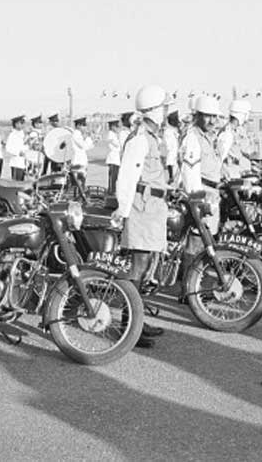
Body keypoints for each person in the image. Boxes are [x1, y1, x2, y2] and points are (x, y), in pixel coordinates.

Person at [112, 84, 172, 349]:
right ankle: (129, 327)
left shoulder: (153, 137)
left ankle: (137, 320)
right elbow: (127, 177)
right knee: (138, 266)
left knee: (146, 266)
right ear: (153, 109)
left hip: (153, 206)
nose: (166, 111)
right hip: (141, 207)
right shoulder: (139, 139)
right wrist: (123, 211)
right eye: (163, 107)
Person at [179, 96, 224, 233]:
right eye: (207, 116)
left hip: (212, 195)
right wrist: (197, 203)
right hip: (201, 196)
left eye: (214, 116)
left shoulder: (210, 137)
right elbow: (190, 174)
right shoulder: (192, 137)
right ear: (198, 116)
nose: (212, 121)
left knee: (211, 235)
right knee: (199, 237)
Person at [218, 100, 252, 180]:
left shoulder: (237, 130)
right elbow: (220, 157)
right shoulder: (227, 133)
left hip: (239, 171)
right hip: (231, 174)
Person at [71, 117, 95, 186]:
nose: (85, 127)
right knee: (78, 184)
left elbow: (86, 147)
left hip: (81, 161)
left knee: (81, 183)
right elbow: (83, 145)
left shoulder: (79, 134)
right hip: (78, 162)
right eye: (83, 125)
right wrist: (88, 137)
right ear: (78, 126)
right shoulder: (76, 134)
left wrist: (94, 141)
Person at [5, 115, 27, 181]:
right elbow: (8, 148)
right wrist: (18, 152)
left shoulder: (23, 134)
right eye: (21, 123)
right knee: (16, 182)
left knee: (21, 182)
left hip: (23, 163)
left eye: (23, 123)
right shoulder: (12, 135)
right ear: (16, 124)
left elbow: (25, 146)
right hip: (16, 162)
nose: (23, 125)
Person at [105, 118, 122, 194]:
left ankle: (113, 190)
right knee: (112, 176)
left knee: (115, 176)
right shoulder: (111, 134)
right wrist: (119, 137)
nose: (118, 128)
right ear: (112, 127)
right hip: (113, 158)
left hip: (116, 158)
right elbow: (117, 144)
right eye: (116, 126)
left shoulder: (114, 134)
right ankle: (111, 191)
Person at [163, 111, 180, 184]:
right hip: (172, 152)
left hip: (176, 152)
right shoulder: (168, 131)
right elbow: (169, 145)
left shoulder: (175, 130)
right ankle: (171, 177)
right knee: (171, 162)